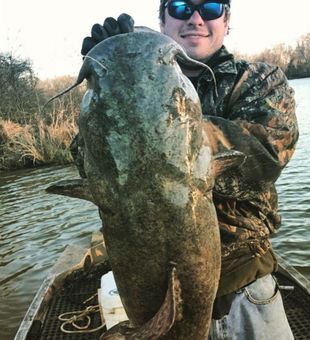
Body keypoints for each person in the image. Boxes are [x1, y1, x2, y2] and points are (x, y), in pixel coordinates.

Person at [80, 1, 299, 339]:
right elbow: (89, 167)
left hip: (244, 293)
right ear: (162, 22)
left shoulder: (259, 79)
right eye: (181, 7)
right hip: (149, 292)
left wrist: (156, 124)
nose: (196, 19)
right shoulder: (114, 94)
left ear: (227, 21)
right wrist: (112, 84)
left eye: (210, 7)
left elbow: (264, 158)